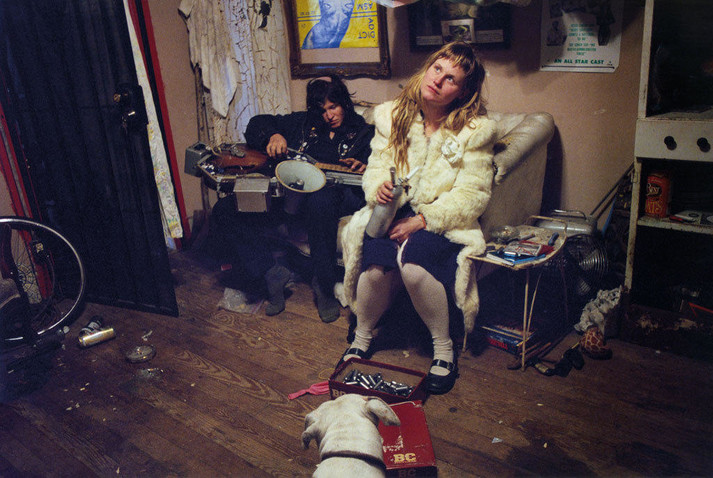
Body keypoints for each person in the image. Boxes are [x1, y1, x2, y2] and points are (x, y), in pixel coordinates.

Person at [337, 42, 498, 394]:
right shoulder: (392, 116)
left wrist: (424, 220)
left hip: (441, 217)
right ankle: (362, 336)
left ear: (463, 92)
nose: (438, 80)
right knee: (376, 268)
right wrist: (379, 188)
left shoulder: (475, 131)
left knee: (413, 266)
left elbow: (473, 195)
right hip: (393, 210)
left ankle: (444, 349)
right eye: (437, 68)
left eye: (451, 78)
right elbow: (377, 167)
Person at [243, 75, 374, 322]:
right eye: (322, 110)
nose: (329, 115)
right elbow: (256, 123)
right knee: (226, 210)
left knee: (320, 200)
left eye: (333, 107)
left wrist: (367, 166)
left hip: (334, 196)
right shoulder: (303, 124)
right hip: (290, 195)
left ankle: (323, 285)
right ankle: (270, 271)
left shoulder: (364, 132)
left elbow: (383, 167)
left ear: (344, 103)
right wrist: (273, 135)